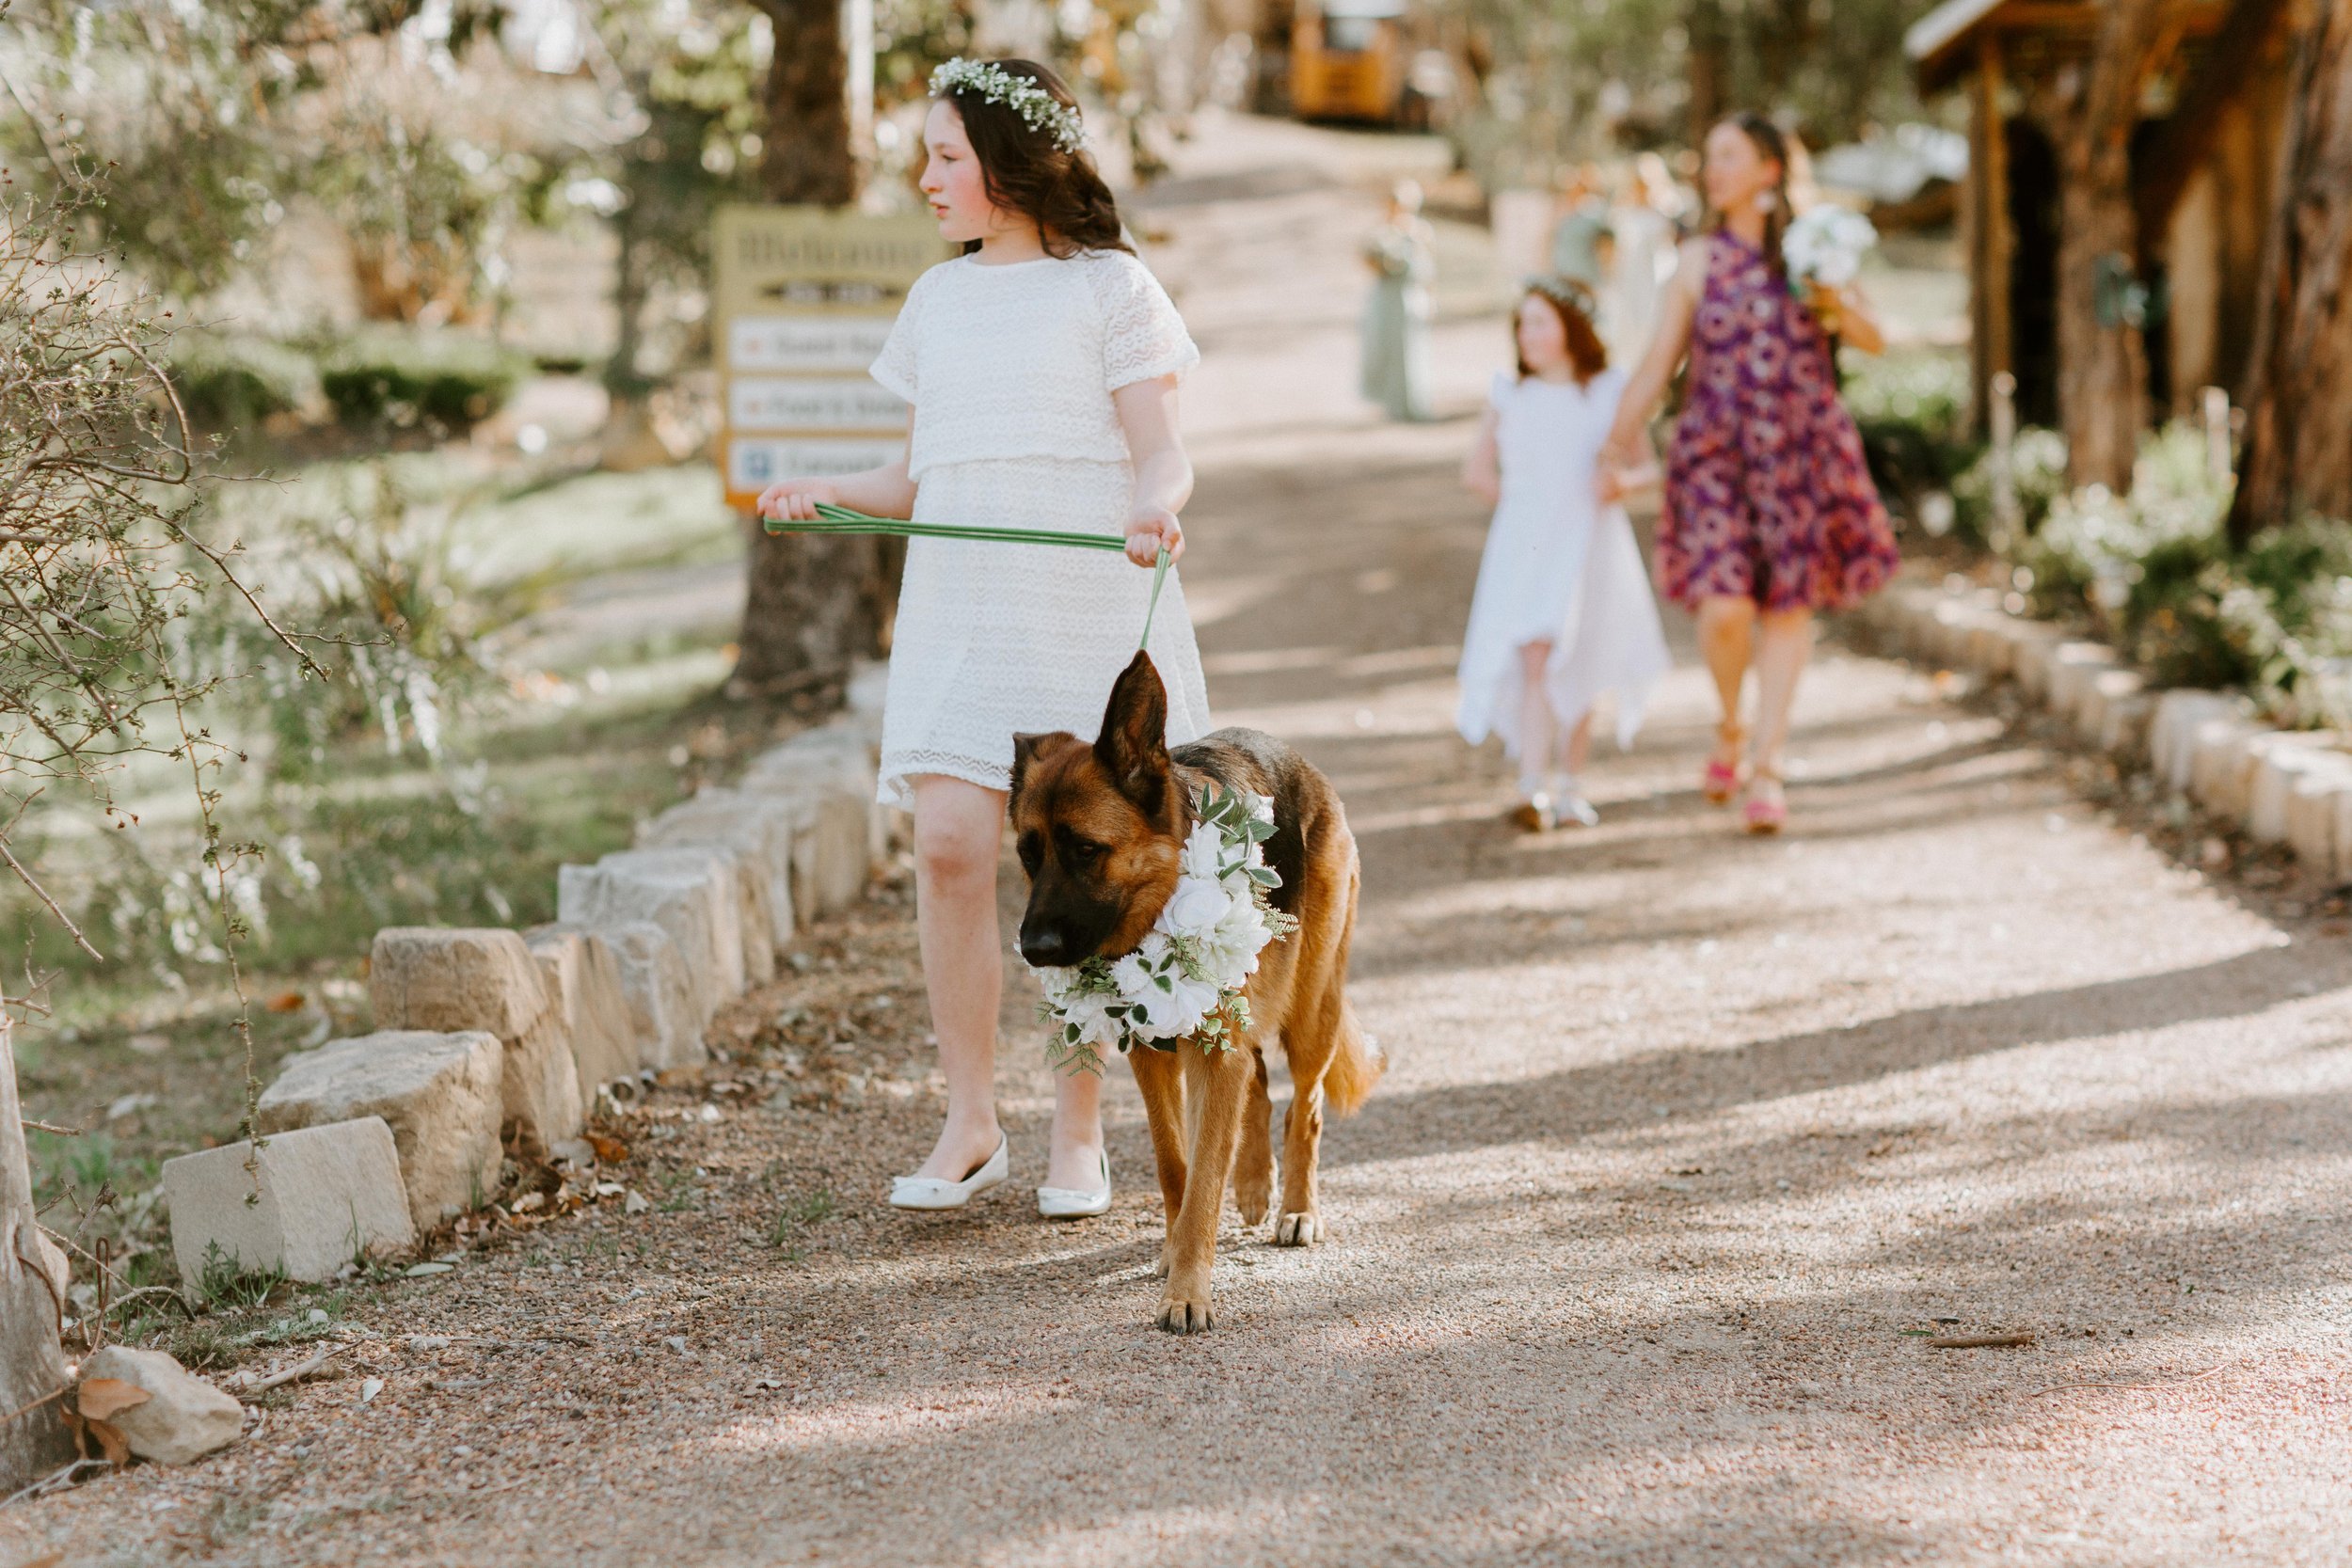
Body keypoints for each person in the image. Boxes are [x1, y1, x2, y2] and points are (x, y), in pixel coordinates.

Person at [756, 58, 1207, 1218]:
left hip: (1080, 606)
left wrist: (1153, 503)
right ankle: (969, 1120)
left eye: (945, 156)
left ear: (1011, 161)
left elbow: (1161, 449)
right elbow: (914, 476)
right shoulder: (937, 299)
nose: (925, 177)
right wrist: (825, 491)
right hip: (962, 612)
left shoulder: (1112, 287)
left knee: (1077, 859)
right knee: (950, 844)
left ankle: (1076, 1126)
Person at [1599, 114, 1897, 833]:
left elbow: (1876, 339)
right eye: (1710, 157)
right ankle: (1731, 721)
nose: (1714, 170)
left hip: (1800, 450)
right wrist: (1613, 442)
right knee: (1726, 608)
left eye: (1729, 156)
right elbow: (1657, 364)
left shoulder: (1815, 251)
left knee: (1789, 608)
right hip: (1716, 454)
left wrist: (1834, 298)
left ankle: (1768, 764)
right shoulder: (1696, 260)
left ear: (1770, 168)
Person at [1457, 278, 1669, 831]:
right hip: (1529, 549)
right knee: (1536, 653)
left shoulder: (1608, 390)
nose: (1526, 335)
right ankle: (1533, 785)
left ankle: (1570, 784)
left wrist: (1621, 484)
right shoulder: (1509, 392)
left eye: (1539, 323)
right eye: (1521, 324)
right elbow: (1476, 473)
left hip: (1589, 545)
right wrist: (1525, 512)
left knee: (1582, 652)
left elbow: (1649, 468)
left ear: (1571, 329)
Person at [1360, 181, 1435, 422]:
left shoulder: (1421, 231)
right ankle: (1390, 403)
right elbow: (1367, 261)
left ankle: (1415, 402)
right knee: (1386, 348)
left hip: (1410, 293)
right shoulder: (1382, 232)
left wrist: (1430, 297)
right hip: (1388, 295)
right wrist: (1382, 265)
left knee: (1412, 348)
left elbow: (1428, 268)